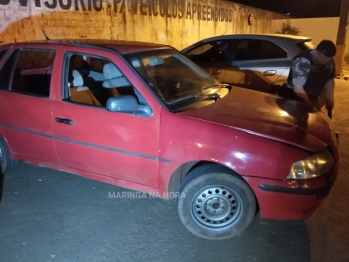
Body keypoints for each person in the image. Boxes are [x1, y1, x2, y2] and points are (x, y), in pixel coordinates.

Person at [281, 39, 337, 118]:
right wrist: (312, 105)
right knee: (295, 122)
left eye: (330, 58)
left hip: (311, 95)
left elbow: (329, 79)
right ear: (317, 51)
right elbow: (298, 90)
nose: (327, 60)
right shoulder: (303, 61)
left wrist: (330, 100)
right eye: (325, 57)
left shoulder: (329, 61)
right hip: (292, 97)